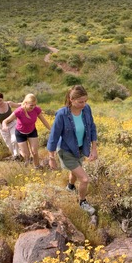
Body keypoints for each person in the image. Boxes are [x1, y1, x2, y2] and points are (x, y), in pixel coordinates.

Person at [47, 85, 98, 224]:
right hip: (66, 150)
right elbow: (54, 136)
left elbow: (92, 127)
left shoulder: (86, 109)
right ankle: (82, 202)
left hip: (80, 148)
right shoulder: (62, 114)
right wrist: (51, 157)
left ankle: (70, 187)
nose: (84, 104)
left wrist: (94, 149)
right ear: (71, 100)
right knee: (84, 179)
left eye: (85, 101)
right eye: (80, 102)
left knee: (75, 171)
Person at [2, 93, 51, 168]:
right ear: (25, 103)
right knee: (27, 155)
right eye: (31, 105)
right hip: (20, 133)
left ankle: (37, 167)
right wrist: (4, 126)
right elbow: (5, 121)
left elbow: (44, 121)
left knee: (34, 152)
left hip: (32, 132)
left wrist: (51, 129)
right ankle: (25, 159)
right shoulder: (19, 111)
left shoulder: (36, 109)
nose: (33, 107)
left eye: (35, 104)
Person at [0, 92, 20, 160]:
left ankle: (17, 155)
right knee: (9, 144)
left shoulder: (9, 104)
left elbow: (18, 105)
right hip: (3, 128)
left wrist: (27, 103)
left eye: (0, 100)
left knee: (15, 140)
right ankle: (16, 156)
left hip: (13, 124)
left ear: (3, 99)